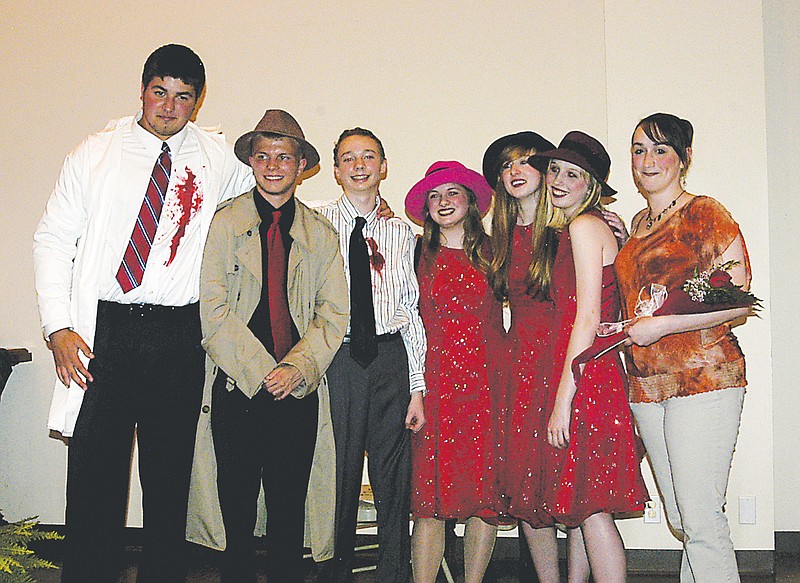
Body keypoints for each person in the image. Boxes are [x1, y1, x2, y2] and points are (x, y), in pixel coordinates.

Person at [32, 44, 253, 582]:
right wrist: (58, 326)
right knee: (93, 476)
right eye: (160, 92)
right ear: (142, 90)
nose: (169, 106)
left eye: (183, 97)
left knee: (169, 476)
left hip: (177, 333)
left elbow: (272, 190)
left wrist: (360, 205)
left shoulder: (216, 156)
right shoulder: (96, 152)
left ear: (197, 104)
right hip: (103, 331)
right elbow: (53, 239)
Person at [185, 109, 349, 583]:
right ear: (251, 163)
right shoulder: (223, 225)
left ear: (302, 166)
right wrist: (261, 371)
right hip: (238, 389)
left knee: (288, 510)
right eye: (262, 156)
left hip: (297, 392)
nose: (272, 165)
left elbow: (333, 313)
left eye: (284, 156)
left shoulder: (320, 235)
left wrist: (297, 368)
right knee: (234, 509)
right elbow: (212, 312)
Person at [615, 113, 754, 583]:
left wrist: (666, 324)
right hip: (649, 387)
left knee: (700, 521)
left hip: (706, 379)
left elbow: (738, 300)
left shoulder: (704, 213)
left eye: (659, 149)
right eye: (639, 150)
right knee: (681, 518)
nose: (647, 160)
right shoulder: (634, 227)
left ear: (684, 158)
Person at [528, 131, 648, 582]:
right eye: (555, 170)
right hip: (594, 373)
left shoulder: (581, 227)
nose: (559, 180)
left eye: (573, 174)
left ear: (591, 184)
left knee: (592, 509)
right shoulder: (585, 226)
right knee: (583, 502)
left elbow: (586, 318)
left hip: (586, 377)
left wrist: (563, 399)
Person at [315, 128, 427, 583]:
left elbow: (412, 311)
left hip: (389, 358)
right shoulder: (316, 223)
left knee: (393, 479)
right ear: (336, 171)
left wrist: (417, 386)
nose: (359, 165)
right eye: (348, 158)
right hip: (338, 359)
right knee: (337, 475)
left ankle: (393, 573)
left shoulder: (404, 234)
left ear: (383, 167)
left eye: (369, 156)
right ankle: (333, 573)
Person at [404, 161, 504, 583]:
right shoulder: (414, 253)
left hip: (489, 384)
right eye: (434, 195)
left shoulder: (497, 250)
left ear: (471, 201)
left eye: (452, 193)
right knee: (430, 500)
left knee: (485, 497)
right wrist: (415, 391)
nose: (443, 202)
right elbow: (407, 320)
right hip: (437, 384)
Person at [483, 132, 576, 583]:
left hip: (563, 364)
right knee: (526, 489)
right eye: (506, 165)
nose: (515, 171)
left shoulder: (571, 230)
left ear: (545, 171)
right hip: (517, 368)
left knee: (572, 484)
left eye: (525, 162)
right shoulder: (498, 238)